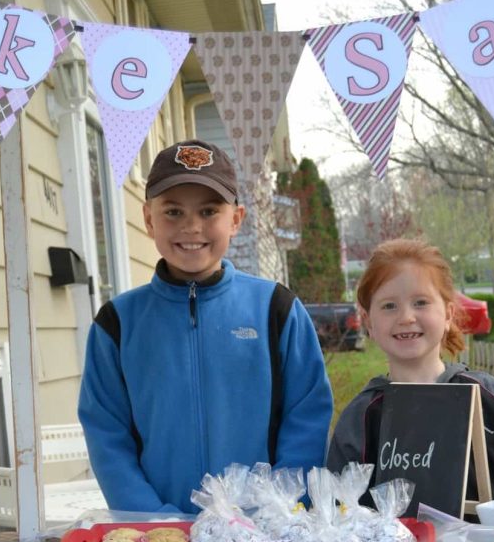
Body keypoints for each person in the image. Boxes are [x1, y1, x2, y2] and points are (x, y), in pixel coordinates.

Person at [78, 139, 333, 514]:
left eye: (209, 210)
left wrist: (275, 512)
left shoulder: (276, 309)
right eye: (174, 212)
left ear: (236, 219)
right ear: (149, 219)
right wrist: (154, 520)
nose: (192, 227)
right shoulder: (117, 324)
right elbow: (107, 435)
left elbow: (307, 418)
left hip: (264, 537)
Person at [327, 238, 494, 504]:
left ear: (448, 314)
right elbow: (338, 505)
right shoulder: (362, 417)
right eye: (389, 306)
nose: (406, 317)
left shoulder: (490, 397)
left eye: (421, 302)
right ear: (369, 322)